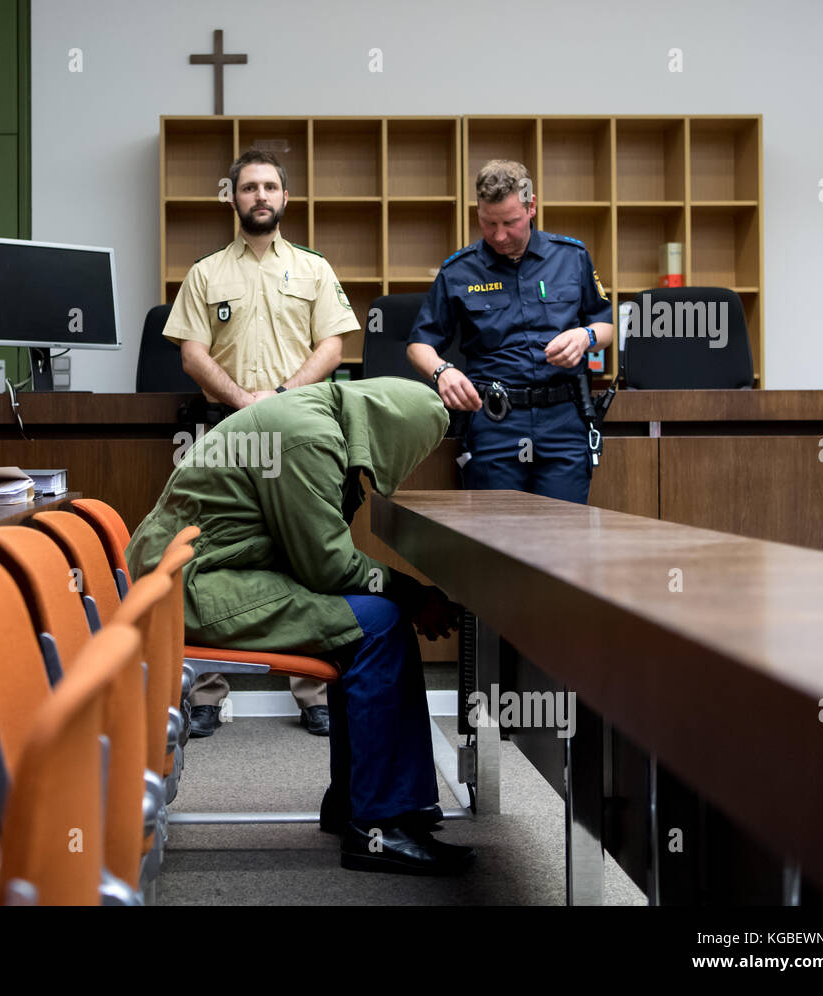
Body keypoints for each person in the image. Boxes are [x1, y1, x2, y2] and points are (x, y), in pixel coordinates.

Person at [125, 378, 475, 876]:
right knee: (376, 624)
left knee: (369, 618)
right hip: (190, 585)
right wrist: (413, 594)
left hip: (195, 571)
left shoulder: (317, 416)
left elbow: (320, 556)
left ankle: (359, 804)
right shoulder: (309, 437)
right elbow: (327, 568)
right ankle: (381, 825)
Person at [162, 149, 361, 737]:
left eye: (270, 186)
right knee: (206, 552)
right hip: (225, 432)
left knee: (308, 548)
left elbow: (333, 347)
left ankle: (314, 690)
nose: (260, 196)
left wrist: (277, 396)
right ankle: (205, 690)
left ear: (285, 198)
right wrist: (245, 402)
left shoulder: (313, 269)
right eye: (249, 188)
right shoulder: (205, 273)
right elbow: (192, 353)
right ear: (233, 197)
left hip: (298, 432)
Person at [407, 160, 615, 504]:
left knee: (564, 535)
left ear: (531, 207)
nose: (499, 235)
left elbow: (605, 326)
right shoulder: (458, 271)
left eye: (510, 222)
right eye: (489, 223)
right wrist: (442, 371)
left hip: (563, 419)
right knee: (496, 537)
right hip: (495, 420)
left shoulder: (572, 257)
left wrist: (585, 337)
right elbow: (418, 345)